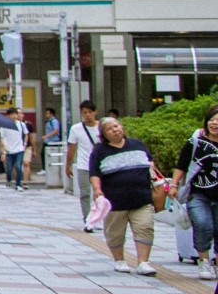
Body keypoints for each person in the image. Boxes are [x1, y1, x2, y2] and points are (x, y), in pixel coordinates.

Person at [92, 114, 160, 276]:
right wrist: (97, 189)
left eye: (117, 126)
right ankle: (119, 259)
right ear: (104, 134)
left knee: (145, 228)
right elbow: (94, 173)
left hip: (142, 198)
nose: (115, 130)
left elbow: (150, 164)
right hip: (115, 201)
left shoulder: (137, 144)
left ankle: (143, 262)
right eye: (110, 128)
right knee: (115, 233)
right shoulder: (100, 150)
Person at [170, 103, 218, 281]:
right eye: (212, 120)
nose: (215, 123)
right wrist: (173, 185)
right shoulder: (196, 143)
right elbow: (181, 165)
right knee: (203, 225)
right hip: (199, 194)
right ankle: (204, 260)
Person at [67, 101, 103, 229]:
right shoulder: (76, 128)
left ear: (95, 112)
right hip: (83, 164)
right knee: (85, 193)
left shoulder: (102, 127)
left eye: (90, 112)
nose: (87, 115)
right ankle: (88, 219)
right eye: (84, 113)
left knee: (100, 193)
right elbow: (72, 148)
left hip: (100, 166)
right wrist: (68, 165)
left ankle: (98, 218)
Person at [0, 114, 29, 190]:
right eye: (12, 115)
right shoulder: (4, 125)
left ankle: (18, 184)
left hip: (19, 149)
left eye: (15, 114)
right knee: (9, 169)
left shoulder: (21, 124)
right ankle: (9, 180)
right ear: (8, 116)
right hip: (9, 150)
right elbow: (1, 138)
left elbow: (26, 134)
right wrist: (3, 150)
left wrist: (25, 144)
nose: (14, 116)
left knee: (19, 167)